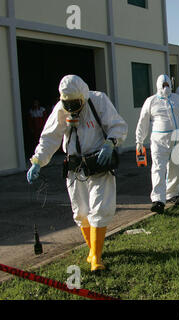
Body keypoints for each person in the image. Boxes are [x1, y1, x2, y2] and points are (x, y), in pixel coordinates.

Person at [26, 75, 128, 272]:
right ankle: (91, 250)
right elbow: (50, 137)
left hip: (98, 163)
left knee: (100, 208)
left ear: (83, 96)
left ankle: (97, 258)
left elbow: (118, 125)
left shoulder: (98, 100)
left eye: (75, 103)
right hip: (74, 167)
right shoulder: (60, 109)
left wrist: (110, 143)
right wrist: (38, 161)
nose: (72, 107)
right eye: (68, 103)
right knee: (81, 212)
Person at [136, 74, 179, 214]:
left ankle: (172, 194)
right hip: (160, 142)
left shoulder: (177, 99)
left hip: (178, 139)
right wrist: (139, 140)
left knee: (175, 168)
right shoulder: (151, 101)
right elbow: (143, 121)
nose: (165, 87)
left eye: (167, 85)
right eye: (163, 85)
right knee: (158, 168)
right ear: (158, 85)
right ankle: (158, 199)